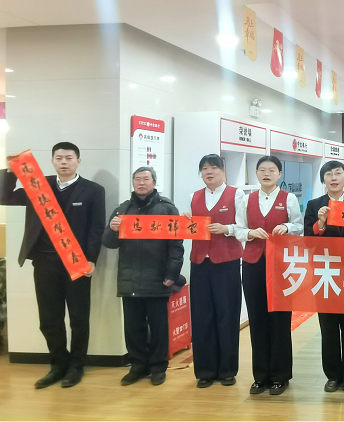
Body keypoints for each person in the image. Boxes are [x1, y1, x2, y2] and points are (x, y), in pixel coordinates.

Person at [0, 142, 105, 389]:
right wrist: (11, 171)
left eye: (69, 157)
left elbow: (96, 227)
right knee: (49, 318)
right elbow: (5, 197)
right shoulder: (39, 186)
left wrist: (91, 259)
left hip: (76, 263)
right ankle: (58, 364)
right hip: (44, 261)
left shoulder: (93, 190)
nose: (64, 162)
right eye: (59, 158)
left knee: (78, 317)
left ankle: (76, 365)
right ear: (52, 161)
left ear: (78, 161)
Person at [103, 167, 184, 386]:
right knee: (133, 327)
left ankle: (158, 367)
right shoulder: (123, 210)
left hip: (158, 277)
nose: (141, 183)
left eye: (146, 179)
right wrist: (112, 229)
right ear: (132, 183)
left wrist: (172, 273)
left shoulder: (167, 209)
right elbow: (109, 243)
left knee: (158, 327)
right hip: (129, 278)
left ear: (154, 183)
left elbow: (176, 245)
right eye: (137, 179)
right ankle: (138, 366)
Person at [235, 156, 303, 396]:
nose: (266, 173)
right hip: (253, 264)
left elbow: (299, 226)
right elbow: (238, 229)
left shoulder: (289, 198)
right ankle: (260, 376)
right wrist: (250, 233)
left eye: (272, 170)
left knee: (280, 319)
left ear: (279, 174)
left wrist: (287, 227)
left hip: (281, 265)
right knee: (257, 319)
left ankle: (280, 376)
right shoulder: (246, 200)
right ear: (256, 173)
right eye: (262, 169)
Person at [182, 154, 245, 388]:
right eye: (205, 169)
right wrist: (185, 220)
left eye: (214, 168)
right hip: (200, 263)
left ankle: (227, 370)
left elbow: (244, 226)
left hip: (226, 262)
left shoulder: (236, 194)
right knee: (202, 317)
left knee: (227, 315)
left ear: (223, 171)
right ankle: (205, 371)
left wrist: (227, 228)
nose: (209, 172)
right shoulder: (194, 197)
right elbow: (189, 227)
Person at [304, 160, 344, 393]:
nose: (333, 178)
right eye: (328, 174)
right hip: (325, 274)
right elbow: (308, 240)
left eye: (338, 173)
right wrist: (320, 223)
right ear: (323, 180)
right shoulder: (314, 205)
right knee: (328, 327)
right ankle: (332, 375)